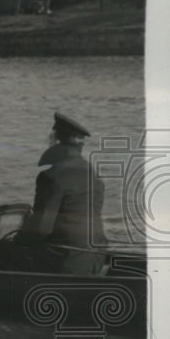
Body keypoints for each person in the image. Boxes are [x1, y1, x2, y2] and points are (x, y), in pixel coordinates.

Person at [16, 112, 106, 272]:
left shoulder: (51, 176)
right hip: (95, 260)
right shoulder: (93, 175)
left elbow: (41, 229)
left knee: (0, 253)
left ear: (57, 140)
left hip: (63, 261)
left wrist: (17, 240)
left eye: (51, 137)